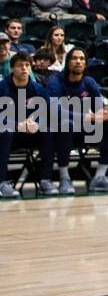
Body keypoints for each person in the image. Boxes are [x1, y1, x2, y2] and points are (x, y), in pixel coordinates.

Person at [45, 47, 108, 194]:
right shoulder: (55, 81)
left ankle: (99, 177)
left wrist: (101, 112)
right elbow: (54, 110)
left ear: (86, 64)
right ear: (68, 62)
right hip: (60, 130)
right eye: (74, 58)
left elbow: (100, 104)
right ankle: (64, 178)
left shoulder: (89, 82)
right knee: (66, 125)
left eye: (82, 59)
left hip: (84, 129)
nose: (78, 62)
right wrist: (88, 117)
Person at [0, 53, 55, 198]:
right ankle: (2, 182)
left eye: (27, 65)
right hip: (8, 135)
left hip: (30, 133)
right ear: (12, 69)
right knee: (5, 131)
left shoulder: (38, 89)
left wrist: (36, 123)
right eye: (20, 66)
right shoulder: (2, 88)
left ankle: (45, 181)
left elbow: (50, 112)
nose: (24, 69)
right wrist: (17, 125)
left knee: (47, 131)